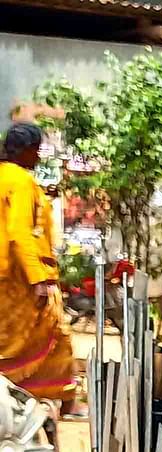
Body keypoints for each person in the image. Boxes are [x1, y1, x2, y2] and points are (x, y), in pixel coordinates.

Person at [0, 123, 79, 415]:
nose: (39, 156)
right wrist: (38, 280)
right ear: (26, 151)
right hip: (19, 280)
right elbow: (18, 232)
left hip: (6, 277)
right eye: (37, 149)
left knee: (11, 346)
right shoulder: (20, 181)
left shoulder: (7, 177)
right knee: (55, 335)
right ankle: (65, 402)